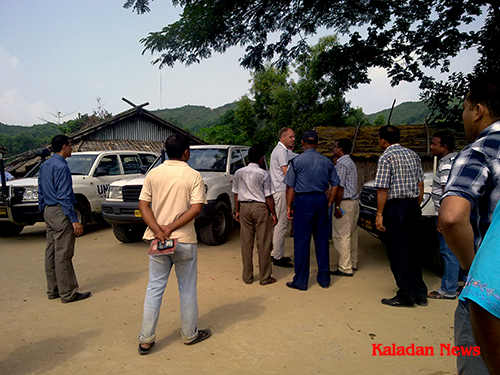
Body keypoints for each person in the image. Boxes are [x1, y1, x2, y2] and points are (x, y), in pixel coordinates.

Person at [440, 75, 500, 374]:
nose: (463, 116)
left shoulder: (481, 149)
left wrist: (473, 268)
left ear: (478, 110)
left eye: (464, 108)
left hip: (490, 294)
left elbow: (452, 217)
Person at [137, 134, 210, 355]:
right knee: (187, 289)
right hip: (185, 240)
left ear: (166, 151)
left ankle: (146, 339)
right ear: (186, 152)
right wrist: (171, 228)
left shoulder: (153, 174)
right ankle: (189, 334)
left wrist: (159, 231)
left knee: (154, 289)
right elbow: (196, 209)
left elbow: (143, 205)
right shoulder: (193, 175)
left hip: (157, 242)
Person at [374, 125, 427, 307]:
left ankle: (406, 294)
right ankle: (420, 292)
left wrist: (379, 214)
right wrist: (415, 206)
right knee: (413, 249)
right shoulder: (413, 155)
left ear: (383, 140)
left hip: (395, 208)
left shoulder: (386, 157)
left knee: (398, 251)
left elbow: (383, 189)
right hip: (413, 205)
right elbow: (421, 185)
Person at [284, 130, 340, 291]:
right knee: (322, 240)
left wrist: (289, 207)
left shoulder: (296, 161)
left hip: (303, 202)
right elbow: (335, 183)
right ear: (317, 143)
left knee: (302, 241)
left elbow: (290, 187)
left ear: (302, 143)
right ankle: (324, 279)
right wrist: (330, 201)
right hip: (321, 200)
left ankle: (301, 281)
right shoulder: (327, 162)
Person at [38, 135, 90, 303]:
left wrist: (44, 209)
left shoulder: (45, 165)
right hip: (60, 212)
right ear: (64, 146)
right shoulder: (62, 167)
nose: (72, 148)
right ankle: (68, 293)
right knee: (64, 253)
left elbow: (40, 189)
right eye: (70, 145)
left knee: (51, 251)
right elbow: (65, 195)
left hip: (49, 210)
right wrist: (74, 219)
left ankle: (53, 289)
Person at [232, 146, 278, 285]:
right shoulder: (264, 174)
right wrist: (273, 213)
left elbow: (236, 192)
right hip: (260, 207)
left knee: (246, 243)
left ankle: (247, 276)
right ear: (261, 159)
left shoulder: (239, 173)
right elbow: (268, 196)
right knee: (263, 243)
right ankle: (265, 277)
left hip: (244, 207)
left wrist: (238, 210)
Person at [427, 131, 462, 300]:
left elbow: (446, 193)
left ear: (444, 147)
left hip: (447, 214)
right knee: (457, 249)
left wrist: (441, 219)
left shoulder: (448, 164)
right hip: (455, 214)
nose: (431, 146)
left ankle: (448, 289)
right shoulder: (455, 160)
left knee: (447, 251)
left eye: (434, 144)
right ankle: (460, 281)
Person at [331, 138, 359, 277]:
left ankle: (345, 267)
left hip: (344, 202)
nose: (334, 149)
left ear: (340, 148)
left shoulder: (341, 164)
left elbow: (339, 186)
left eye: (335, 146)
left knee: (341, 235)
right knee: (352, 234)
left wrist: (336, 206)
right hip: (353, 201)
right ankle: (352, 262)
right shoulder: (350, 162)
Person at [270, 127, 296, 268]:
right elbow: (287, 173)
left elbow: (295, 156)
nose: (293, 139)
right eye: (291, 137)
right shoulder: (280, 152)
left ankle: (276, 253)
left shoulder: (283, 151)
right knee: (281, 225)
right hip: (280, 191)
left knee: (281, 225)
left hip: (279, 191)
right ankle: (277, 257)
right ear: (283, 137)